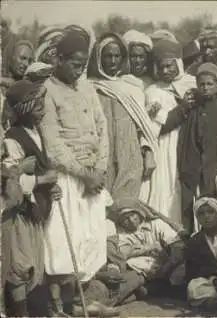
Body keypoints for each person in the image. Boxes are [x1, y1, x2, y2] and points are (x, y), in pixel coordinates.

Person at [40, 31, 112, 316]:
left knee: (91, 240)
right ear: (59, 59)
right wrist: (83, 174)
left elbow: (102, 128)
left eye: (83, 64)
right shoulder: (47, 91)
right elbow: (53, 143)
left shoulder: (88, 89)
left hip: (93, 176)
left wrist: (100, 170)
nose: (79, 69)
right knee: (62, 242)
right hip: (68, 178)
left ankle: (81, 303)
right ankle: (59, 307)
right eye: (74, 63)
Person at [1, 80, 59, 317]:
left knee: (33, 263)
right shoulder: (12, 138)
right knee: (19, 266)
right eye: (36, 104)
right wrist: (42, 181)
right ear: (23, 107)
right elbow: (9, 183)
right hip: (19, 213)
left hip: (36, 210)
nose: (42, 107)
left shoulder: (36, 133)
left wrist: (53, 190)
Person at [87, 32, 157, 201]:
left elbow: (144, 128)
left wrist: (149, 154)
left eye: (117, 56)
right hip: (101, 156)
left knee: (127, 206)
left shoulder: (133, 87)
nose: (112, 61)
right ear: (98, 58)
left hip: (130, 154)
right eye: (108, 56)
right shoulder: (89, 87)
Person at [178, 63, 217, 232]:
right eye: (202, 84)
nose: (205, 88)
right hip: (196, 166)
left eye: (210, 84)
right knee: (196, 208)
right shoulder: (193, 109)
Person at [143, 36, 196, 224]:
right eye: (161, 67)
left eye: (169, 66)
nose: (165, 71)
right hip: (166, 147)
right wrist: (181, 108)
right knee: (166, 190)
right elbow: (160, 126)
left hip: (189, 145)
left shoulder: (192, 83)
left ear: (179, 64)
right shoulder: (152, 91)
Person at [112, 198, 186, 289]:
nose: (131, 220)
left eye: (132, 215)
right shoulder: (122, 235)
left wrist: (168, 264)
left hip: (166, 264)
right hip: (140, 268)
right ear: (121, 223)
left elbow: (176, 244)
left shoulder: (156, 224)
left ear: (139, 213)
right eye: (125, 219)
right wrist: (147, 248)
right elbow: (122, 253)